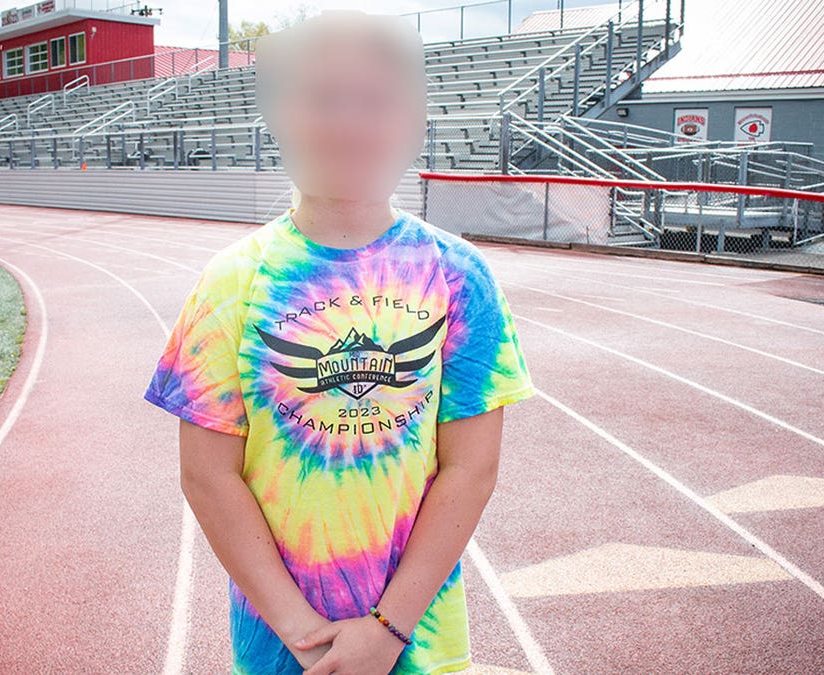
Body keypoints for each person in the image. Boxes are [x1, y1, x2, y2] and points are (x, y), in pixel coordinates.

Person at [143, 10, 534, 674]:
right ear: (283, 115)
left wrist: (388, 627)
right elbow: (208, 475)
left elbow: (471, 468)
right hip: (282, 644)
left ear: (413, 120)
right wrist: (302, 632)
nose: (349, 123)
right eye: (324, 98)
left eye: (376, 101)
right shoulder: (232, 282)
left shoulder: (459, 276)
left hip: (418, 642)